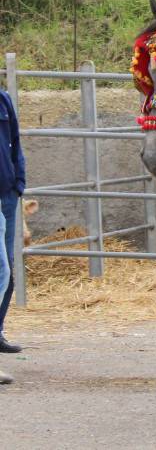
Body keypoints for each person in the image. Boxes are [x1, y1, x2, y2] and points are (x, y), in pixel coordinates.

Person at [0, 86, 26, 383]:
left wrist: (18, 183)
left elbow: (15, 143)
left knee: (6, 271)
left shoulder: (3, 99)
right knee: (2, 271)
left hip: (6, 194)